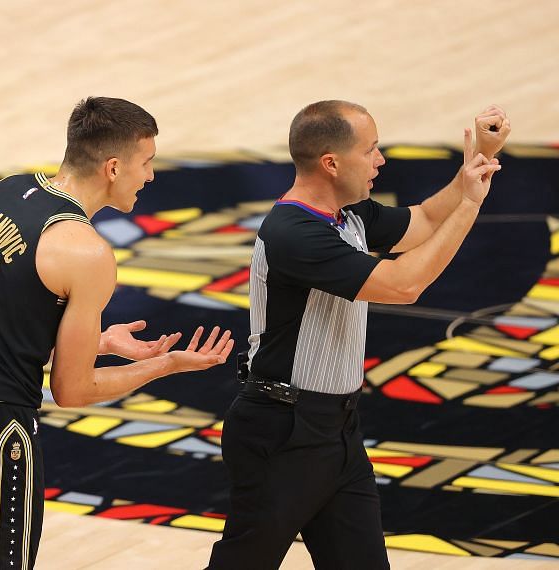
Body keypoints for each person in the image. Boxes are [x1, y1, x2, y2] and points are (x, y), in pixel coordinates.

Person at [0, 96, 235, 569]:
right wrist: (163, 365)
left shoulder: (5, 190)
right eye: (147, 163)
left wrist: (97, 343)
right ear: (114, 167)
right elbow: (73, 390)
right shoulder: (85, 252)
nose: (151, 176)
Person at [207, 101, 510, 570]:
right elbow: (404, 284)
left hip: (337, 429)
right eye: (371, 150)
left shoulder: (350, 215)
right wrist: (470, 203)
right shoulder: (293, 231)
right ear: (331, 163)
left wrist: (476, 167)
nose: (380, 161)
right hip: (282, 431)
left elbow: (426, 220)